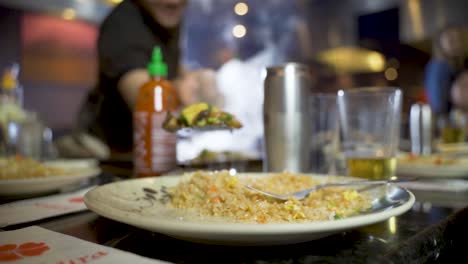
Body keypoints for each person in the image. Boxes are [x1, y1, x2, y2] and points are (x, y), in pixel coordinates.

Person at [75, 0, 221, 154]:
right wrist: (182, 90)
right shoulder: (122, 24)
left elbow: (171, 66)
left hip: (148, 152)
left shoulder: (164, 16)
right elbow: (144, 99)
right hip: (110, 154)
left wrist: (195, 79)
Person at [424, 26, 466, 117]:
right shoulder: (439, 65)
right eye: (451, 40)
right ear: (440, 43)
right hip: (446, 119)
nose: (456, 43)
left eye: (458, 39)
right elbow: (438, 103)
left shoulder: (454, 66)